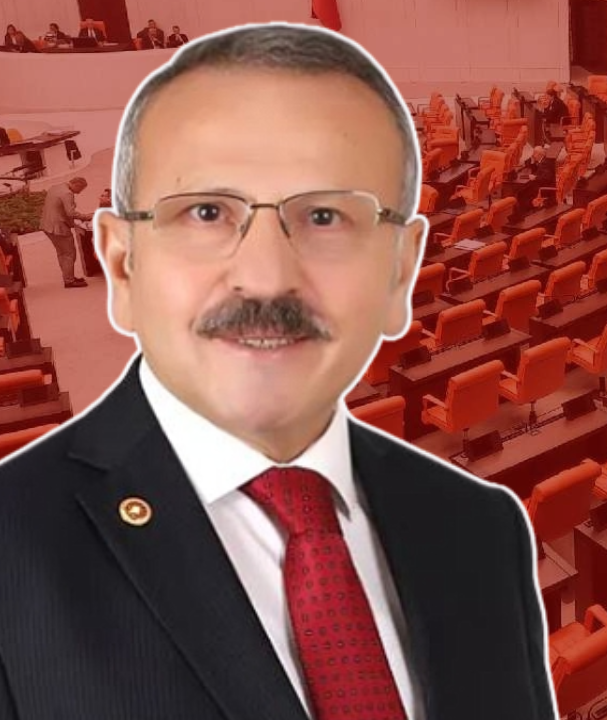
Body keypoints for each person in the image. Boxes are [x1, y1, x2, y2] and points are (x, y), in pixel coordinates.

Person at [0, 23, 554, 720]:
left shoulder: (481, 530)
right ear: (122, 265)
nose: (265, 278)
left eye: (325, 216)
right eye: (206, 212)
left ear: (399, 272)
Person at [39, 176, 92, 288]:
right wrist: (86, 216)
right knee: (69, 253)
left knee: (61, 253)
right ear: (76, 185)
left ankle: (68, 277)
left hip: (47, 225)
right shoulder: (68, 193)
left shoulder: (55, 187)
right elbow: (70, 213)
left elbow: (59, 208)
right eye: (81, 189)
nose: (80, 192)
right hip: (58, 227)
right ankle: (69, 281)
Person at [518, 145, 559, 210]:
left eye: (534, 153)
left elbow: (547, 178)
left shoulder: (545, 163)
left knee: (522, 193)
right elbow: (538, 171)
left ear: (538, 154)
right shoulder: (544, 161)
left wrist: (535, 178)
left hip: (545, 188)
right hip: (543, 185)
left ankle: (525, 211)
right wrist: (532, 163)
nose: (533, 155)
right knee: (524, 190)